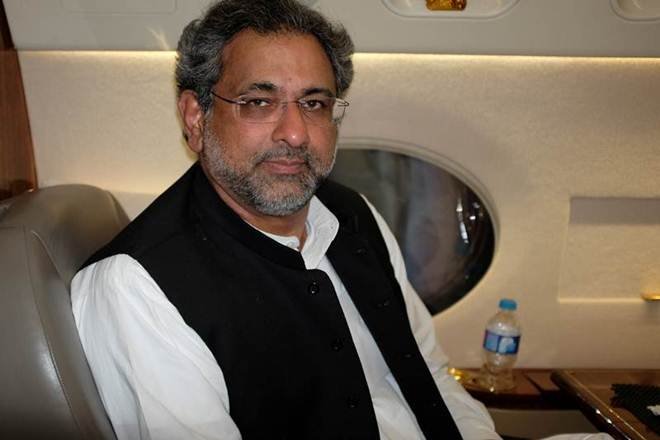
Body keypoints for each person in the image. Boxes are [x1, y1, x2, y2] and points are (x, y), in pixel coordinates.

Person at [71, 1, 611, 439]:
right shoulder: (137, 287)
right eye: (259, 102)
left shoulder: (355, 216)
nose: (295, 133)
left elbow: (428, 373)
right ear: (196, 117)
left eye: (314, 104)